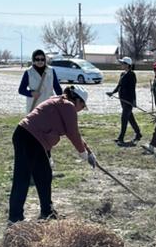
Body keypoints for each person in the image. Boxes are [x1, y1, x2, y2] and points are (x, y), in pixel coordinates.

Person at [8, 84, 96, 222]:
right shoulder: (68, 106)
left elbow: (74, 132)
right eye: (83, 106)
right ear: (78, 100)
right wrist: (83, 154)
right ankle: (15, 217)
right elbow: (73, 133)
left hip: (32, 139)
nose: (81, 109)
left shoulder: (61, 102)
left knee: (44, 176)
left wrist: (89, 152)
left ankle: (47, 211)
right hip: (29, 138)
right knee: (22, 178)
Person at [108, 57, 140, 146]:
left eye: (123, 63)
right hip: (122, 99)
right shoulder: (122, 74)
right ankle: (138, 133)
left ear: (127, 65)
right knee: (130, 118)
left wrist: (134, 101)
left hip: (128, 100)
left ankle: (121, 138)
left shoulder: (132, 74)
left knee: (124, 118)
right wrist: (112, 92)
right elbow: (119, 85)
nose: (121, 64)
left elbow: (132, 89)